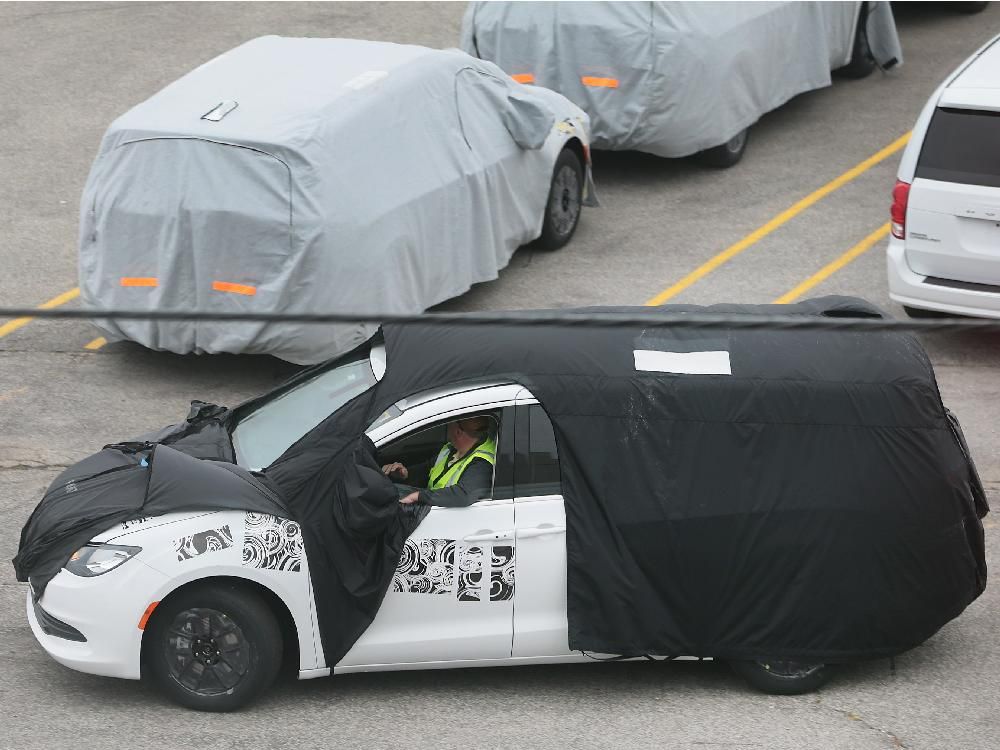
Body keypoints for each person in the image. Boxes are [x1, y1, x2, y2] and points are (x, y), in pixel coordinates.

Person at [381, 416, 496, 508]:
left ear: (458, 432)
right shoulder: (450, 449)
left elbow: (464, 494)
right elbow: (428, 469)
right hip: (433, 508)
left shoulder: (482, 462)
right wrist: (405, 474)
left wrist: (418, 496)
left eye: (449, 423)